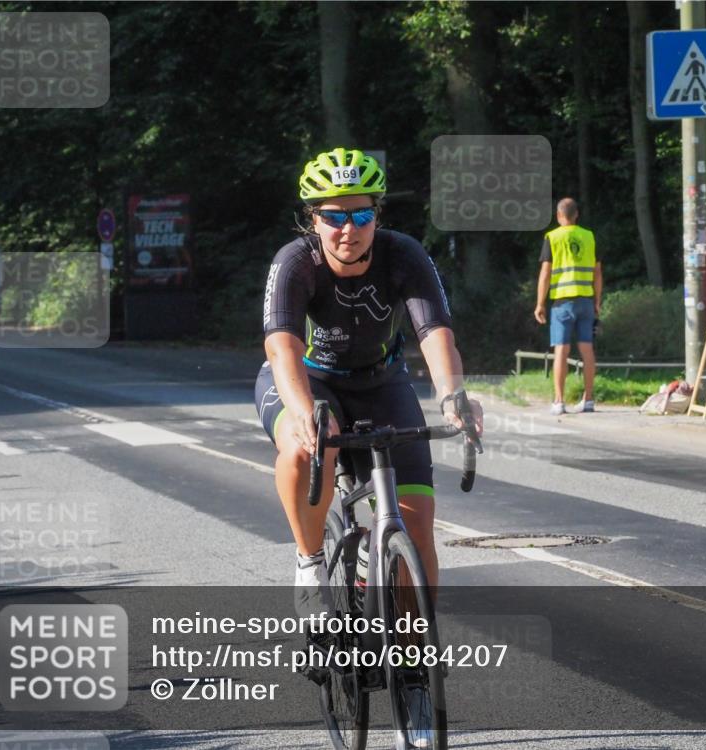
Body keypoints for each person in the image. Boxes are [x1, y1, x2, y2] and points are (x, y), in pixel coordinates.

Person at [255, 147, 483, 746]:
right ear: (313, 218)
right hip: (307, 381)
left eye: (361, 216)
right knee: (311, 448)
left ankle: (412, 657)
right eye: (334, 216)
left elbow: (434, 333)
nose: (348, 229)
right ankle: (310, 569)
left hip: (382, 385)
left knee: (417, 522)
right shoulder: (295, 262)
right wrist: (303, 414)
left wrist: (454, 396)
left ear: (377, 216)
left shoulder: (404, 255)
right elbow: (280, 348)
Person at [533, 197, 602, 415]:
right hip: (586, 300)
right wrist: (597, 301)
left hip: (562, 302)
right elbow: (597, 272)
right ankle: (588, 400)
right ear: (577, 215)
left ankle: (559, 401)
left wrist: (540, 303)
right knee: (587, 349)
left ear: (559, 216)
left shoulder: (552, 237)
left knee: (561, 350)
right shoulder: (589, 237)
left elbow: (545, 273)